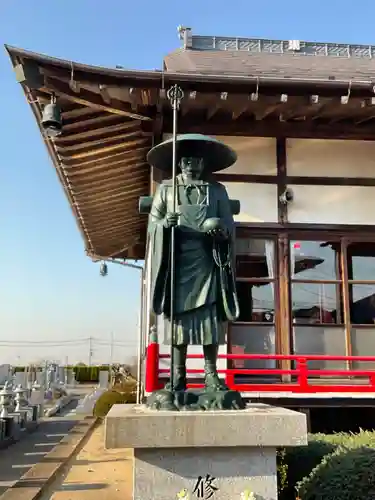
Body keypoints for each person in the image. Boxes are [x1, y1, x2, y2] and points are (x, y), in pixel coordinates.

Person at [147, 134, 240, 392]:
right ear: (179, 163)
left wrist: (221, 233)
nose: (191, 164)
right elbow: (152, 225)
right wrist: (165, 225)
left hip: (208, 259)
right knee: (179, 323)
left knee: (210, 320)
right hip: (177, 262)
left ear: (204, 162)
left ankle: (211, 374)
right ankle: (178, 377)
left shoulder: (218, 191)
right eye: (186, 159)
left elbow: (229, 226)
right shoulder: (166, 190)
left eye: (196, 159)